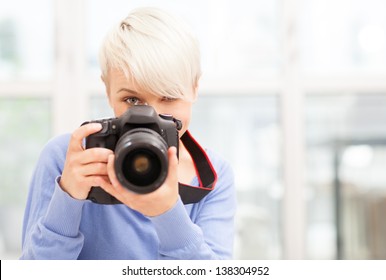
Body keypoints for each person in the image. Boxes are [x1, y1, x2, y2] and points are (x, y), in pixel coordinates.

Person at [20, 7, 236, 260]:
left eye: (168, 96)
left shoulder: (212, 176)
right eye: (132, 99)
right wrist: (68, 197)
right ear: (108, 90)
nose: (150, 116)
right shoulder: (68, 158)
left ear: (195, 88)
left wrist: (168, 213)